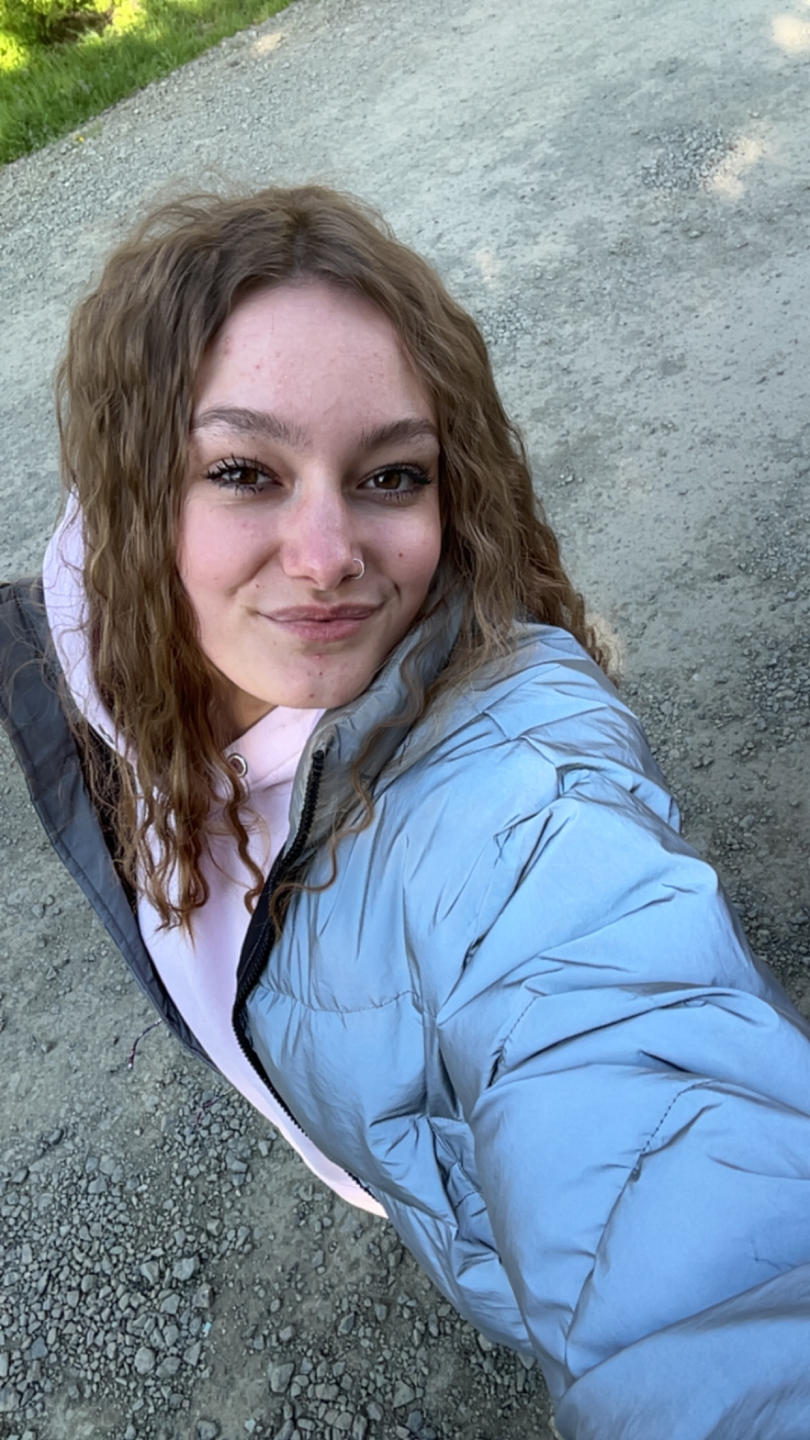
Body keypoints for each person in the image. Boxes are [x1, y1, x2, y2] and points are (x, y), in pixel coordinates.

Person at [2, 185, 810, 1439]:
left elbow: (656, 1108)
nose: (328, 556)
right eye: (243, 472)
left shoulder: (515, 795)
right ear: (129, 490)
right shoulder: (93, 620)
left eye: (390, 476)